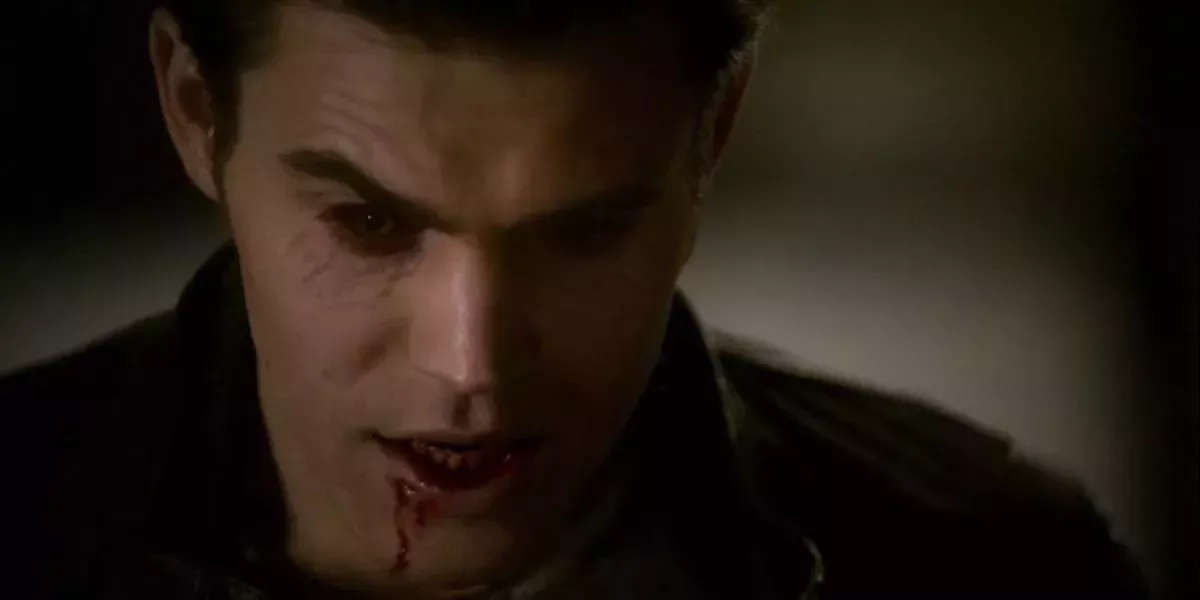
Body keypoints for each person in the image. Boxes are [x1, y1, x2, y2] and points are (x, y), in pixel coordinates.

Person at [4, 1, 1150, 598]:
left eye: (582, 232)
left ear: (713, 135)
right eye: (368, 224)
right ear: (195, 110)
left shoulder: (994, 560)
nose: (472, 366)